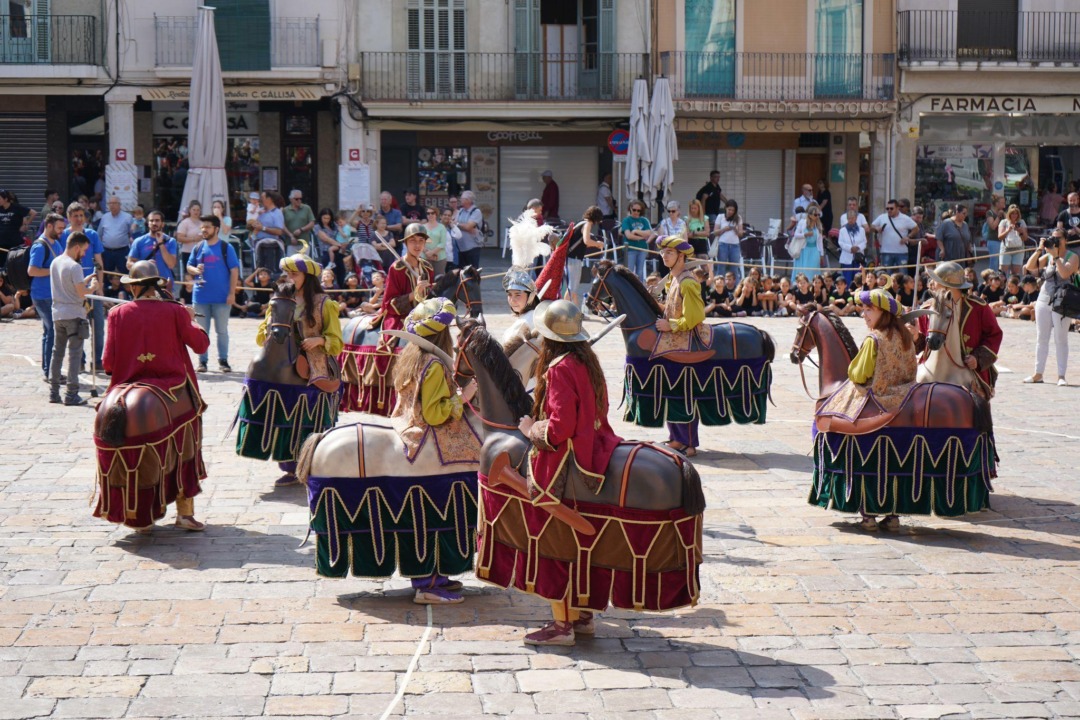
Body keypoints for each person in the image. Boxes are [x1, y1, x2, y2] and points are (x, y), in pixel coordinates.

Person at [516, 298, 622, 645]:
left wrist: (531, 429)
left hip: (565, 462)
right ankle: (582, 614)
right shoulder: (585, 361)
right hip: (598, 447)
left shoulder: (559, 368)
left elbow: (559, 428)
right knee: (581, 546)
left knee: (552, 541)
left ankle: (562, 626)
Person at [94, 261, 210, 533]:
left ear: (134, 287)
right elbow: (201, 345)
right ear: (157, 285)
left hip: (125, 386)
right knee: (187, 446)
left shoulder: (117, 313)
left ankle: (135, 513)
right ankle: (185, 513)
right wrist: (190, 318)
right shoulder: (175, 311)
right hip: (174, 389)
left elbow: (108, 362)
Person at [391, 297, 480, 604]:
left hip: (404, 428)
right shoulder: (436, 364)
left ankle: (438, 573)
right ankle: (428, 582)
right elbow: (434, 414)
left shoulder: (412, 357)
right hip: (427, 442)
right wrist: (463, 396)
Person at [816, 288, 917, 532]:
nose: (864, 314)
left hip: (876, 402)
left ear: (883, 312)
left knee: (832, 427)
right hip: (904, 401)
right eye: (863, 309)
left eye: (869, 309)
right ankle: (893, 515)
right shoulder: (905, 336)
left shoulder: (874, 339)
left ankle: (867, 514)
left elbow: (858, 374)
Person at [245, 254, 343, 485]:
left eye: (294, 274)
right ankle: (290, 467)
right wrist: (270, 329)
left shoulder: (324, 304)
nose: (288, 278)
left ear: (307, 277)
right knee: (282, 416)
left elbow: (337, 342)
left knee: (309, 419)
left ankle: (313, 463)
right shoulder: (279, 299)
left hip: (313, 369)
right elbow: (261, 337)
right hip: (282, 369)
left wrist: (319, 340)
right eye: (287, 273)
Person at [916, 261, 1004, 400]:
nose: (932, 284)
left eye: (936, 281)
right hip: (932, 366)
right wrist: (915, 337)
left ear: (946, 287)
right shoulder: (928, 308)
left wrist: (978, 358)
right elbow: (921, 343)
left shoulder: (978, 307)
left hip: (968, 366)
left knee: (977, 400)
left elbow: (994, 335)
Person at [655, 236, 707, 456]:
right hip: (673, 343)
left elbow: (695, 317)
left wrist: (670, 325)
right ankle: (676, 438)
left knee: (683, 392)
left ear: (681, 256)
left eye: (669, 252)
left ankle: (689, 443)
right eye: (663, 252)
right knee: (670, 392)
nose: (664, 256)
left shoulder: (687, 282)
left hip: (688, 345)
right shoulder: (672, 279)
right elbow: (671, 307)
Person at [1023, 229, 1078, 386]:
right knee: (1042, 337)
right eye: (1052, 238)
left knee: (1061, 339)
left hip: (1062, 301)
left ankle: (1061, 376)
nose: (1055, 241)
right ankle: (1038, 373)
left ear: (1065, 240)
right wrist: (1040, 249)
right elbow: (1029, 266)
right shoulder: (1047, 256)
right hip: (1044, 298)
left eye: (1058, 239)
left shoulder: (1072, 257)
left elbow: (1065, 274)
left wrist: (1056, 256)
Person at [48, 231, 98, 405]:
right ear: (76, 247)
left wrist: (83, 281)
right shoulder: (74, 266)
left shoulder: (55, 262)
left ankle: (53, 392)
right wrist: (92, 287)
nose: (84, 254)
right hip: (75, 314)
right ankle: (71, 393)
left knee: (57, 353)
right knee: (75, 354)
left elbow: (68, 285)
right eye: (83, 250)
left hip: (58, 313)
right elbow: (81, 292)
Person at [187, 215, 240, 373]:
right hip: (201, 297)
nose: (204, 229)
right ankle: (202, 361)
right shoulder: (197, 247)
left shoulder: (226, 248)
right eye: (202, 227)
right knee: (201, 331)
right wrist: (195, 270)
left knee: (222, 331)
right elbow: (189, 266)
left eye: (207, 227)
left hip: (222, 298)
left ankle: (223, 361)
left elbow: (234, 270)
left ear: (216, 229)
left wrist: (232, 293)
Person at [27, 213, 67, 380]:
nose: (62, 232)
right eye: (59, 228)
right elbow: (32, 270)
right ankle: (51, 371)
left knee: (48, 331)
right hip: (42, 296)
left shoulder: (56, 243)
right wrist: (53, 270)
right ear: (49, 226)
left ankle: (48, 370)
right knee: (53, 331)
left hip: (52, 295)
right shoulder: (39, 246)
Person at [381, 223, 435, 332]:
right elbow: (390, 304)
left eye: (421, 241)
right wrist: (415, 293)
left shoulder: (427, 268)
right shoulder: (396, 268)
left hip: (425, 316)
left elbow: (431, 297)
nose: (417, 245)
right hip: (402, 316)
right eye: (412, 241)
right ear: (405, 243)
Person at [127, 209, 178, 291]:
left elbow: (171, 264)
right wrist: (144, 264)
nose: (154, 223)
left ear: (162, 224)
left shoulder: (170, 241)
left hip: (164, 285)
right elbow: (129, 264)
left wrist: (161, 243)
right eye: (151, 221)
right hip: (144, 285)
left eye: (157, 221)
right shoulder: (139, 241)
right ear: (148, 223)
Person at [564, 206, 605, 305]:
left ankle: (575, 311)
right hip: (574, 259)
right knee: (573, 288)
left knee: (571, 287)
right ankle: (569, 311)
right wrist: (598, 244)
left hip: (570, 258)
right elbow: (587, 240)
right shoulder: (587, 224)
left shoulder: (580, 222)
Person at [871, 199, 918, 272]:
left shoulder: (905, 218)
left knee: (902, 276)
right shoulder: (882, 217)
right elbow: (871, 226)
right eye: (887, 208)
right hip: (886, 252)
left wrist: (908, 237)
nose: (889, 210)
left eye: (891, 208)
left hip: (902, 252)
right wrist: (876, 228)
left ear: (897, 208)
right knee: (887, 277)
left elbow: (916, 228)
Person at [96, 196, 133, 286]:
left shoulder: (127, 217)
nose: (112, 205)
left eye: (114, 203)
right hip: (107, 251)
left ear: (119, 205)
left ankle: (125, 293)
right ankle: (107, 292)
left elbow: (131, 234)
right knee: (106, 273)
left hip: (122, 251)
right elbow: (99, 234)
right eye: (110, 203)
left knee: (124, 273)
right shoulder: (104, 217)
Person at [0, 189, 37, 269]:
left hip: (14, 241)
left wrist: (25, 224)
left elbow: (33, 213)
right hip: (1, 242)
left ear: (6, 199)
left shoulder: (16, 207)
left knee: (12, 265)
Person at [251, 192, 287, 273]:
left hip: (270, 247)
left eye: (262, 198)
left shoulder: (277, 212)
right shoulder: (261, 212)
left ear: (269, 199)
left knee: (269, 272)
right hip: (258, 245)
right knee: (258, 272)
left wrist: (263, 228)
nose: (260, 200)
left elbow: (279, 231)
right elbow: (256, 228)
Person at [837, 197, 869, 284]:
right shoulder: (843, 230)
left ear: (856, 219)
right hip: (847, 258)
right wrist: (850, 248)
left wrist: (858, 247)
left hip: (858, 258)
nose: (851, 220)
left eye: (853, 218)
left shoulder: (861, 230)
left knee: (858, 279)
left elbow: (864, 242)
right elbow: (840, 242)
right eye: (849, 218)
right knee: (847, 280)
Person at [621, 200, 654, 280]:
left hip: (642, 248)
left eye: (638, 210)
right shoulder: (626, 220)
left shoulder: (644, 220)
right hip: (630, 249)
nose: (636, 212)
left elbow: (649, 233)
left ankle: (640, 289)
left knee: (640, 272)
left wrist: (636, 231)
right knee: (630, 271)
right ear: (630, 209)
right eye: (634, 210)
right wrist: (642, 237)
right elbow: (628, 235)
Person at [790, 202, 824, 279]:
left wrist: (822, 254)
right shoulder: (802, 222)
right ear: (810, 215)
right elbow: (796, 234)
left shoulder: (818, 225)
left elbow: (820, 241)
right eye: (815, 215)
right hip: (803, 251)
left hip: (815, 251)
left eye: (819, 215)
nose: (817, 216)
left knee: (813, 272)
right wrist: (805, 234)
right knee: (803, 273)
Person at [712, 200, 744, 280]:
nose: (731, 212)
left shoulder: (738, 218)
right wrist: (724, 229)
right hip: (723, 244)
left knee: (734, 269)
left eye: (733, 210)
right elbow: (715, 232)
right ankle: (719, 286)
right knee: (721, 268)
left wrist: (736, 230)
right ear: (725, 208)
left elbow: (741, 234)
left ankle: (735, 287)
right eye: (729, 209)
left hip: (735, 245)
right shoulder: (720, 216)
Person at [454, 191, 484, 269]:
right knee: (461, 272)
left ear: (468, 200)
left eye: (462, 199)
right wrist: (462, 225)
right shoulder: (460, 211)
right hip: (460, 247)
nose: (460, 200)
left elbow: (468, 227)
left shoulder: (476, 212)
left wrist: (457, 224)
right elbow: (454, 224)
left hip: (472, 247)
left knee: (472, 271)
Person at [998, 204, 1028, 278]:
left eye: (1016, 213)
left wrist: (1020, 231)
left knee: (1015, 273)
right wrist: (1008, 230)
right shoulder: (1004, 222)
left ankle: (1013, 287)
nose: (1014, 215)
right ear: (1009, 214)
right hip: (1006, 249)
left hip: (1018, 249)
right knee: (1002, 272)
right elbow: (1000, 237)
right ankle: (1002, 287)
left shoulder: (1022, 222)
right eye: (1012, 213)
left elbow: (1025, 238)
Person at [283, 189, 315, 255]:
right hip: (291, 243)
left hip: (304, 242)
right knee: (291, 264)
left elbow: (312, 223)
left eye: (300, 198)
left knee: (304, 264)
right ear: (291, 199)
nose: (299, 200)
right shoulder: (285, 210)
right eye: (296, 199)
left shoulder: (307, 208)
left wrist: (301, 230)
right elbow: (282, 225)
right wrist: (291, 236)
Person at [422, 206, 449, 277]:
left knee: (439, 280)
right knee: (425, 279)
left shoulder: (442, 227)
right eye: (428, 213)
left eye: (432, 213)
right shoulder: (422, 227)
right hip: (424, 257)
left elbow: (442, 243)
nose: (430, 215)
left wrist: (432, 253)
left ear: (436, 214)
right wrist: (427, 252)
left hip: (439, 258)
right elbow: (420, 242)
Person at [982, 194, 1006, 272]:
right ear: (996, 203)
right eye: (1002, 203)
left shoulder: (1003, 213)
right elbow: (993, 226)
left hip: (1003, 241)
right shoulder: (990, 213)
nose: (1004, 205)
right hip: (993, 240)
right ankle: (992, 278)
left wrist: (1005, 215)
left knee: (1002, 262)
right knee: (994, 263)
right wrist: (998, 217)